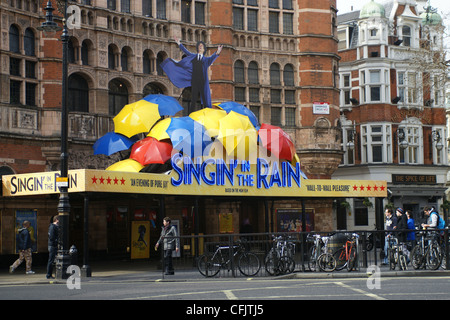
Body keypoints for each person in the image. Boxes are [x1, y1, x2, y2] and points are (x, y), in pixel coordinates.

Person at [160, 36, 223, 113]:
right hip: (194, 79)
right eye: (199, 46)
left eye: (202, 46)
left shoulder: (206, 60)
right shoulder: (193, 56)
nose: (200, 47)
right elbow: (186, 52)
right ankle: (191, 113)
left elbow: (213, 57)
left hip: (202, 81)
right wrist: (179, 43)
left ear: (204, 49)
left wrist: (218, 51)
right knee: (194, 97)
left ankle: (207, 113)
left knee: (205, 98)